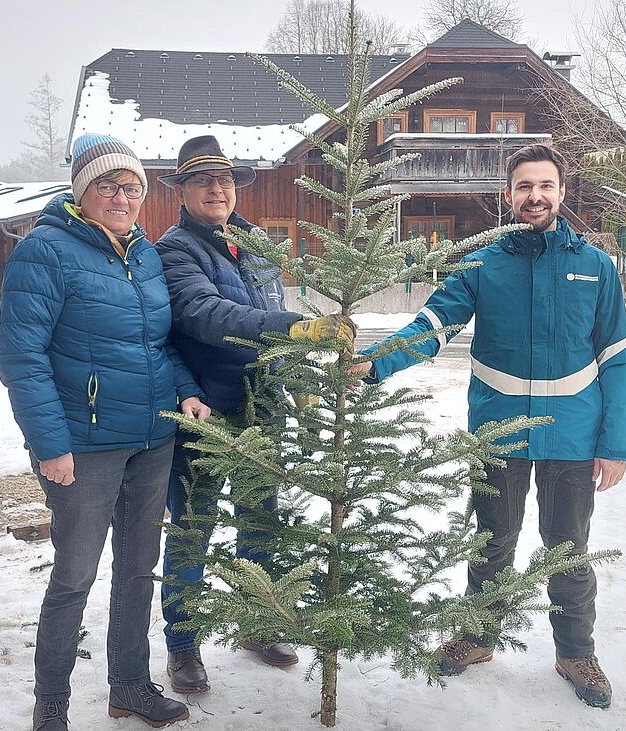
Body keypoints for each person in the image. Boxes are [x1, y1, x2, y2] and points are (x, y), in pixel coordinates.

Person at [351, 144, 626, 709]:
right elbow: (433, 324)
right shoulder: (482, 262)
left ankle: (575, 651)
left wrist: (615, 445)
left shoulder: (596, 267)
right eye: (524, 186)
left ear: (561, 192)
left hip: (574, 436)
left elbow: (618, 357)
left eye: (545, 186)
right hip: (498, 432)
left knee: (568, 548)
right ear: (508, 196)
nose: (535, 196)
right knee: (492, 540)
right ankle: (479, 637)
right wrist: (374, 361)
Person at [0, 133, 202, 730]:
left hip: (151, 438)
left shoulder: (144, 254)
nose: (121, 196)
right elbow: (22, 357)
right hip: (83, 448)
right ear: (81, 191)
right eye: (108, 185)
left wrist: (184, 388)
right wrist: (49, 444)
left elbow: (158, 342)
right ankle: (51, 707)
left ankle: (130, 688)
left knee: (138, 570)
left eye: (132, 186)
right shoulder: (45, 251)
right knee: (74, 576)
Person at [155, 135, 355, 694]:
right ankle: (182, 643)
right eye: (203, 181)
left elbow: (263, 309)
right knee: (193, 528)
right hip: (206, 412)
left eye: (224, 180)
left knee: (260, 521)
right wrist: (293, 328)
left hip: (262, 409)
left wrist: (296, 382)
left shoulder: (254, 242)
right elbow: (203, 313)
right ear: (183, 192)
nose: (217, 189)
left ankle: (259, 623)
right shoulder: (175, 250)